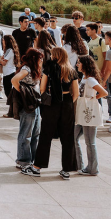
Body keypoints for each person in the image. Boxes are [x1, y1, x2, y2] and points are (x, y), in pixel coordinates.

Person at [31, 46, 79, 179]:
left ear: (56, 56)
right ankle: (66, 169)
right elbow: (76, 93)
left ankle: (37, 167)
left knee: (46, 135)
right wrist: (67, 102)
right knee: (67, 137)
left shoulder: (49, 68)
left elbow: (42, 88)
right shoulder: (71, 70)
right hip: (67, 102)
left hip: (52, 103)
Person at [74, 55, 107, 175]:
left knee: (90, 142)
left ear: (85, 65)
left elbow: (104, 92)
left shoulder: (90, 80)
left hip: (89, 112)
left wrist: (93, 98)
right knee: (74, 137)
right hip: (82, 112)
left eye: (79, 63)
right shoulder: (84, 78)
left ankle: (93, 169)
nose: (77, 65)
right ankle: (79, 165)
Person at [13, 49, 44, 172]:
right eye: (40, 58)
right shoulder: (27, 69)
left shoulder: (34, 69)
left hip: (35, 104)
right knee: (26, 134)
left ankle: (31, 159)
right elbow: (14, 80)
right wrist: (23, 93)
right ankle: (23, 160)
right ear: (34, 58)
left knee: (35, 134)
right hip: (28, 105)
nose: (42, 60)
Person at [1, 34, 18, 104]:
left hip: (8, 73)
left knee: (8, 92)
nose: (2, 41)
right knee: (9, 92)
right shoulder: (10, 50)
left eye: (3, 40)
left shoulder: (9, 50)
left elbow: (3, 63)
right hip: (10, 72)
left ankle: (13, 108)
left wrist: (0, 60)